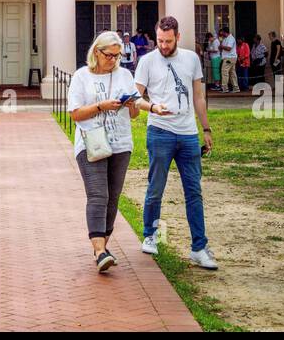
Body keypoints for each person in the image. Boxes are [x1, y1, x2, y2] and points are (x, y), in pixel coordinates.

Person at [69, 31, 159, 272]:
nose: (113, 60)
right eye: (109, 55)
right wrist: (101, 106)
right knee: (98, 195)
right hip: (91, 142)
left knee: (113, 197)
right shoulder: (81, 77)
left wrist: (132, 105)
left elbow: (134, 113)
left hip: (120, 143)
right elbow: (75, 114)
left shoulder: (124, 75)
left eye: (117, 56)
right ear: (96, 52)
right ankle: (99, 250)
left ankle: (104, 247)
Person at [134, 16, 217, 269]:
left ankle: (199, 247)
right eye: (160, 40)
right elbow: (134, 98)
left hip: (188, 134)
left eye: (168, 41)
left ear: (178, 37)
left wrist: (205, 128)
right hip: (159, 131)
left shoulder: (191, 59)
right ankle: (150, 234)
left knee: (194, 191)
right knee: (155, 187)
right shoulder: (147, 61)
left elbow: (198, 97)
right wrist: (152, 107)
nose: (163, 45)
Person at [219, 26, 238, 93]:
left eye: (222, 32)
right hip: (229, 57)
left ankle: (225, 88)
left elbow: (229, 48)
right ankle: (236, 88)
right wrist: (221, 45)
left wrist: (222, 46)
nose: (221, 33)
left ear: (225, 32)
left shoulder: (231, 38)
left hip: (229, 57)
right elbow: (222, 47)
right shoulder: (225, 38)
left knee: (224, 72)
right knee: (232, 73)